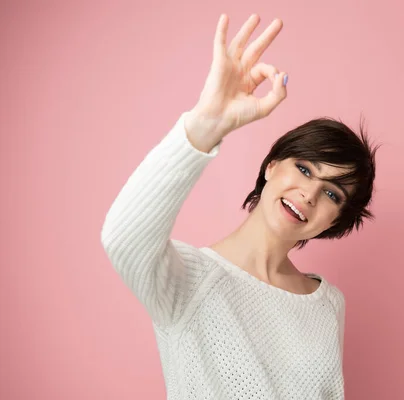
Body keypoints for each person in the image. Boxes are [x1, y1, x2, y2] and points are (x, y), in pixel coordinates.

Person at [101, 13, 378, 399]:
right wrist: (205, 124)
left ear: (336, 221)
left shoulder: (327, 304)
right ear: (271, 166)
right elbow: (122, 238)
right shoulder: (188, 281)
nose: (310, 194)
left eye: (333, 194)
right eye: (304, 169)